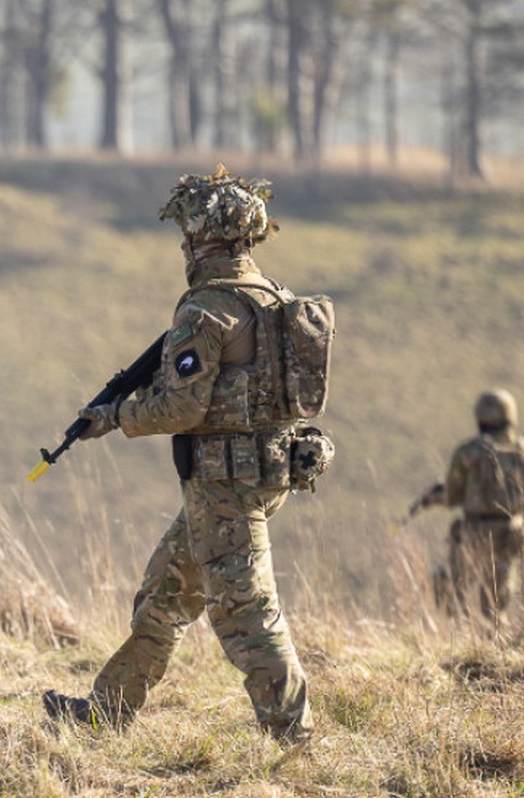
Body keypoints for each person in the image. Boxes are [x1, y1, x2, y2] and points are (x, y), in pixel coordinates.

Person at [42, 166, 331, 743]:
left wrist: (116, 417)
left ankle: (294, 738)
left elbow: (180, 410)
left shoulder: (206, 310)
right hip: (260, 474)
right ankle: (105, 714)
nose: (183, 245)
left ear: (203, 237)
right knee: (163, 596)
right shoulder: (275, 298)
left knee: (243, 612)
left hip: (226, 485)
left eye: (186, 234)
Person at [413, 389, 524, 622]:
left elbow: (453, 496)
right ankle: (494, 647)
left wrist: (434, 499)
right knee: (496, 603)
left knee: (451, 587)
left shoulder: (468, 452)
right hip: (509, 534)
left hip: (473, 533)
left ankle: (457, 637)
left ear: (480, 417)